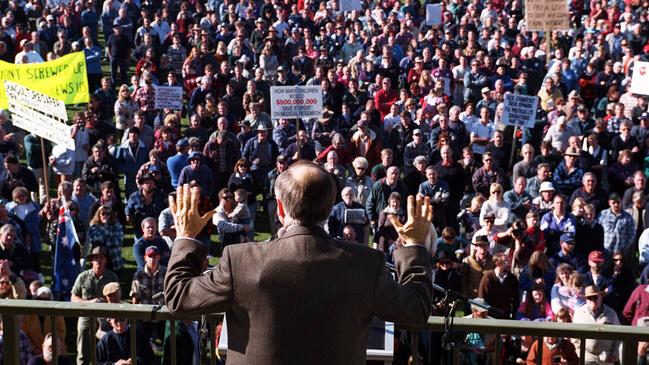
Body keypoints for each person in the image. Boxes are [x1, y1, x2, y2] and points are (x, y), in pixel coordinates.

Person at [164, 162, 433, 364]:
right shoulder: (365, 263)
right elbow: (416, 310)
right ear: (329, 208)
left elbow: (178, 298)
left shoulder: (240, 260)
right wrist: (414, 247)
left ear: (280, 209)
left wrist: (186, 237)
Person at [71, 247, 118, 365]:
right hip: (86, 316)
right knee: (82, 353)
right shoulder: (83, 277)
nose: (99, 260)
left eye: (101, 258)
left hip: (107, 318)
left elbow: (118, 299)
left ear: (106, 260)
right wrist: (90, 303)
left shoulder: (112, 277)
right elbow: (73, 298)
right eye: (96, 258)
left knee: (108, 353)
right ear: (91, 260)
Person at [572, 286, 621, 365]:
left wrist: (615, 354)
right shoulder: (579, 313)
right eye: (589, 298)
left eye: (595, 297)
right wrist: (578, 352)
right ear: (585, 299)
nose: (592, 300)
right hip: (586, 357)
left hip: (606, 357)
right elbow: (574, 336)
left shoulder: (611, 313)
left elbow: (619, 336)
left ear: (601, 297)